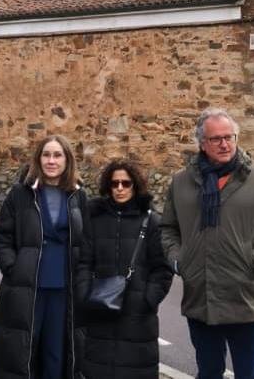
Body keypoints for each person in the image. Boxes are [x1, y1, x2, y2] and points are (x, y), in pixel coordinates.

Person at [160, 107, 254, 379]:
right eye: (216, 139)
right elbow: (167, 229)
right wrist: (179, 260)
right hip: (201, 298)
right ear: (202, 143)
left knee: (249, 373)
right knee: (208, 372)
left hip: (245, 298)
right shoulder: (181, 182)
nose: (224, 144)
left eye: (230, 137)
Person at [0, 135, 89, 379]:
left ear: (67, 160)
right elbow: (2, 237)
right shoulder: (19, 194)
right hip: (27, 287)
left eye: (57, 155)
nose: (51, 161)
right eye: (46, 155)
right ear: (38, 159)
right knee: (24, 350)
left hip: (64, 290)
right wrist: (14, 269)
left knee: (55, 353)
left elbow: (87, 241)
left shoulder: (79, 196)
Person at [75, 160, 174, 379]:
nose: (120, 188)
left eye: (126, 183)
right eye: (114, 183)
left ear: (135, 185)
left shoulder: (152, 221)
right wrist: (84, 294)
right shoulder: (95, 219)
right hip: (100, 311)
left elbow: (163, 268)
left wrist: (148, 299)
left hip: (137, 317)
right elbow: (84, 261)